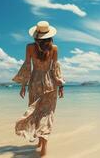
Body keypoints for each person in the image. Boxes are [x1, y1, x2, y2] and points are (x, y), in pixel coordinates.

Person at [12, 21, 65, 156]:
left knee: (36, 112)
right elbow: (55, 69)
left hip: (35, 82)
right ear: (49, 35)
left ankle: (40, 143)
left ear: (36, 35)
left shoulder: (29, 47)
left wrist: (23, 85)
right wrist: (61, 86)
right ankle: (43, 148)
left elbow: (27, 67)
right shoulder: (54, 48)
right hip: (50, 84)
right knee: (47, 114)